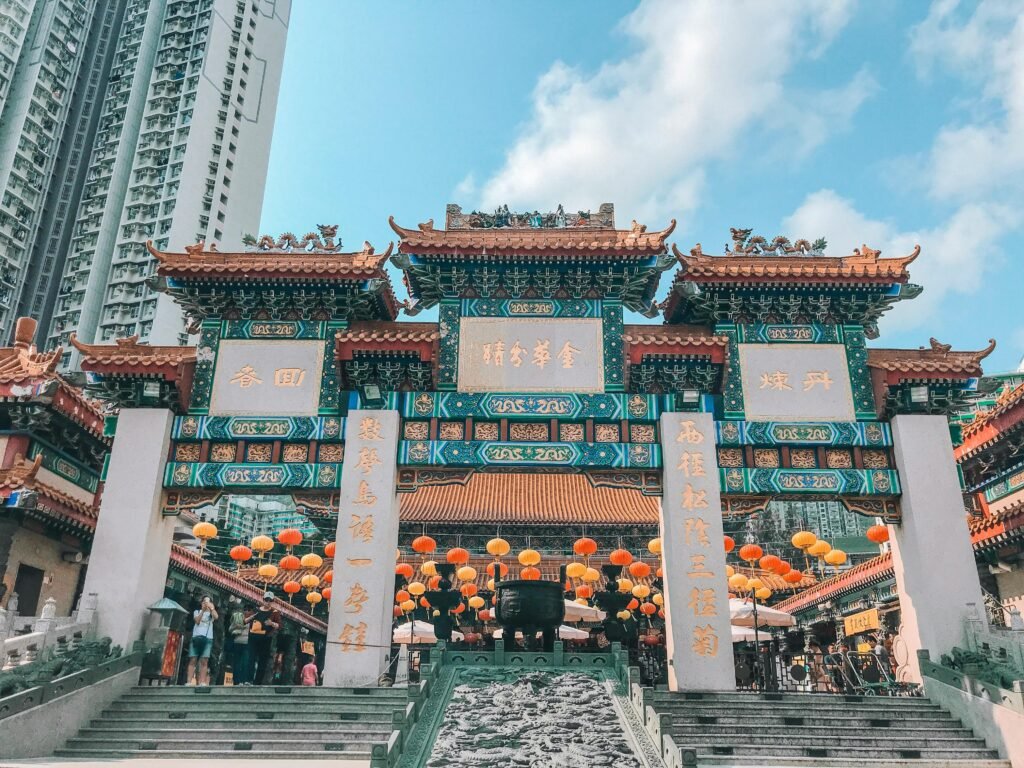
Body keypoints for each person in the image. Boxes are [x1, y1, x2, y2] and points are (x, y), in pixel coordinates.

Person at [246, 592, 281, 685]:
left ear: (273, 602)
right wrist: (251, 617)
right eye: (266, 600)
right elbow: (245, 620)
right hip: (253, 637)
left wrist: (272, 623)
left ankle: (257, 682)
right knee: (251, 658)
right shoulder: (256, 610)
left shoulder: (275, 612)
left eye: (270, 601)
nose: (268, 602)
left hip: (265, 638)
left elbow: (278, 625)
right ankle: (248, 679)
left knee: (263, 660)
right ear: (263, 600)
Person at [186, 595, 218, 685]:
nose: (205, 603)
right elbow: (197, 621)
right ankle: (189, 681)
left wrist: (212, 609)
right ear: (201, 603)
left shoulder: (211, 613)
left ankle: (202, 682)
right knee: (193, 659)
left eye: (208, 602)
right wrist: (203, 611)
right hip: (196, 637)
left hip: (208, 639)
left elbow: (216, 617)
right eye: (204, 601)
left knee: (204, 661)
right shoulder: (197, 611)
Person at [226, 597, 250, 685]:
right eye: (245, 609)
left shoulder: (251, 620)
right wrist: (239, 627)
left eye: (248, 610)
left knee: (244, 663)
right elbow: (230, 629)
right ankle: (237, 681)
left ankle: (243, 680)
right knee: (237, 663)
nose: (247, 611)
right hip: (238, 642)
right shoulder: (237, 618)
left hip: (246, 643)